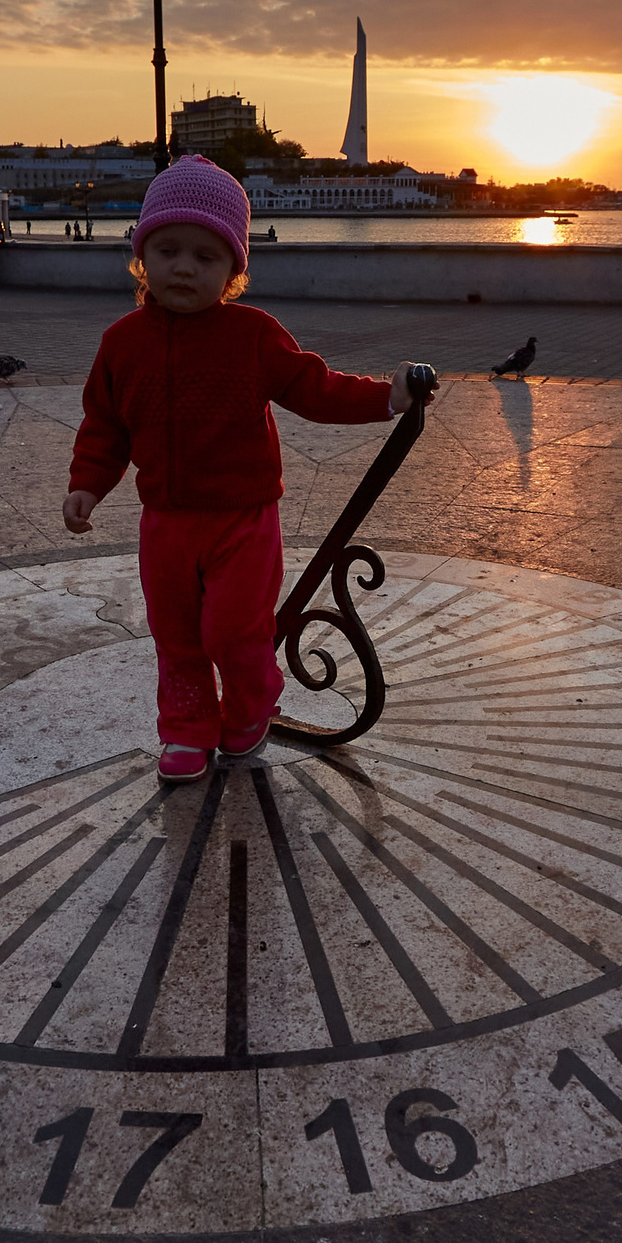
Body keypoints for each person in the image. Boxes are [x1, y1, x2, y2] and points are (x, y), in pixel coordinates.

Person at [63, 155, 419, 782]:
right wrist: (87, 486)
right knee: (176, 639)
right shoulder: (122, 343)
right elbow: (105, 425)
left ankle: (252, 706)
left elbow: (314, 388)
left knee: (234, 633)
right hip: (166, 525)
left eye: (206, 257)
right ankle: (187, 731)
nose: (184, 267)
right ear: (142, 254)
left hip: (242, 522)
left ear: (233, 271)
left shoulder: (253, 335)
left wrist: (383, 398)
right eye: (168, 249)